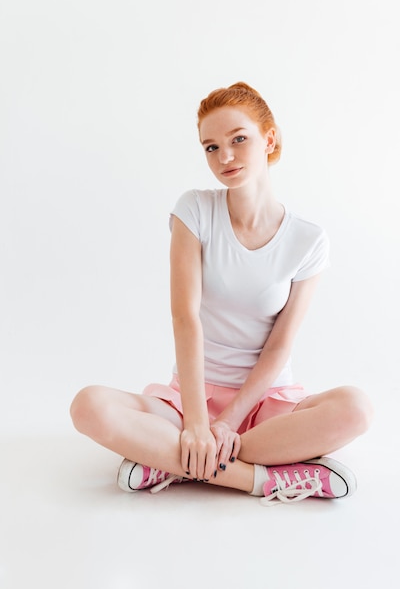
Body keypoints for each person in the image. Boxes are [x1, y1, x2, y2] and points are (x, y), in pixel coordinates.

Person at [70, 82, 373, 505]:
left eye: (239, 139)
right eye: (211, 147)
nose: (224, 156)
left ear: (269, 139)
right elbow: (185, 317)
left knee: (356, 408)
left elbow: (280, 343)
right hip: (189, 401)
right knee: (88, 407)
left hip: (266, 408)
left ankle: (174, 463)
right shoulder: (194, 210)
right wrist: (196, 422)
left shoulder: (308, 239)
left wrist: (230, 422)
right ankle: (264, 478)